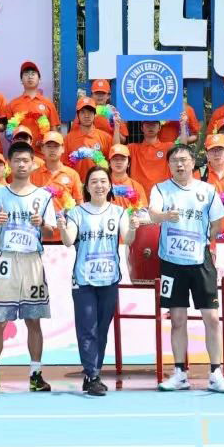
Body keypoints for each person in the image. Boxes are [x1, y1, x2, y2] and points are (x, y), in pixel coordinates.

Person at [0, 139, 55, 394]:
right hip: (6, 260)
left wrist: (43, 225)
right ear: (9, 164)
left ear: (33, 164)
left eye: (25, 160)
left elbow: (51, 233)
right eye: (16, 160)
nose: (21, 164)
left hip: (32, 261)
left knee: (34, 320)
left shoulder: (44, 196)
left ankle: (35, 375)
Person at [147, 142, 224, 393]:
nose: (180, 164)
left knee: (212, 318)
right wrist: (165, 217)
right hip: (171, 263)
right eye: (175, 161)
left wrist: (204, 241)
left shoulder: (207, 190)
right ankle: (179, 373)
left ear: (193, 163)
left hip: (200, 261)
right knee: (177, 319)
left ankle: (215, 373)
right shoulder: (161, 189)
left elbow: (218, 222)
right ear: (169, 165)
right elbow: (152, 213)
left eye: (184, 159)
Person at [63, 165, 137, 396]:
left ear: (110, 185)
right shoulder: (77, 213)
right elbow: (68, 240)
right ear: (86, 187)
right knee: (87, 328)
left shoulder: (118, 212)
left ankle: (92, 373)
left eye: (103, 181)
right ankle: (93, 375)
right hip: (83, 280)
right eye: (94, 181)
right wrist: (63, 229)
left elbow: (128, 239)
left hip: (109, 278)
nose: (99, 185)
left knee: (102, 329)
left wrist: (134, 228)